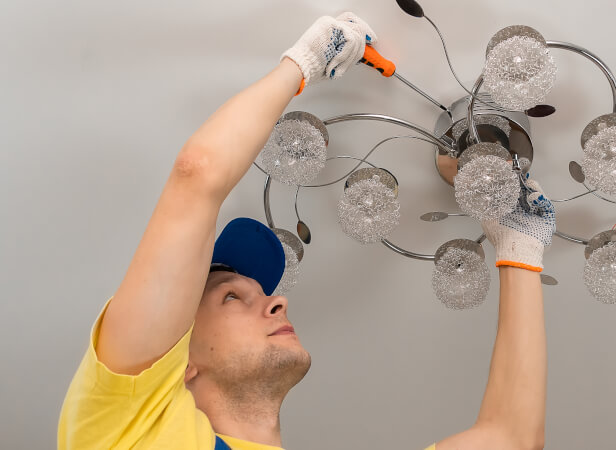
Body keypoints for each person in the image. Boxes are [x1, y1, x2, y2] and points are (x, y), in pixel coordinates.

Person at [58, 12, 554, 450]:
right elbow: (511, 438)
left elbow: (197, 173)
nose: (279, 302)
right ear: (175, 364)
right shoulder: (127, 427)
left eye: (233, 296)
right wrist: (522, 249)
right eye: (233, 297)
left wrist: (303, 64)